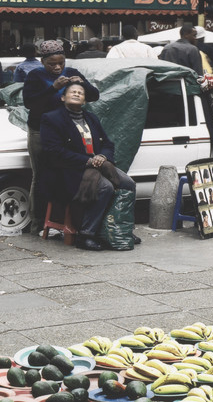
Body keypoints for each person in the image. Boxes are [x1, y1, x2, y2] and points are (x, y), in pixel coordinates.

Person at [40, 83, 137, 251]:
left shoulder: (91, 118)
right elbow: (54, 151)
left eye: (81, 93)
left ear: (84, 100)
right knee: (104, 187)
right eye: (73, 92)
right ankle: (87, 234)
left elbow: (107, 143)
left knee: (128, 183)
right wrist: (87, 161)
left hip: (97, 164)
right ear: (63, 97)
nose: (77, 94)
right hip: (68, 170)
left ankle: (121, 229)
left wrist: (102, 156)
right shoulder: (51, 119)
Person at [23, 40, 100, 232]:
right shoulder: (35, 76)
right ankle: (37, 222)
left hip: (66, 133)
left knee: (66, 173)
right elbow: (30, 104)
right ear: (43, 61)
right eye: (52, 64)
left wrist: (84, 85)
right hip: (40, 131)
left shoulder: (73, 72)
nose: (57, 67)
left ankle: (65, 220)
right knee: (40, 175)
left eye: (61, 63)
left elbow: (93, 96)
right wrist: (53, 88)